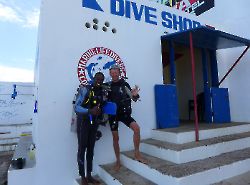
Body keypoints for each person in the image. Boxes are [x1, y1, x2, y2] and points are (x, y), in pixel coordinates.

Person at [108, 64, 146, 171]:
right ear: (110, 74)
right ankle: (118, 161)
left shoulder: (125, 84)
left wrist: (135, 94)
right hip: (113, 115)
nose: (114, 74)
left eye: (116, 72)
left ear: (119, 73)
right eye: (112, 72)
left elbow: (133, 98)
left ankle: (137, 154)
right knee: (116, 138)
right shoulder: (107, 86)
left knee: (137, 129)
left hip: (124, 114)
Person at [75, 72, 105, 185]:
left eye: (101, 79)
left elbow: (103, 105)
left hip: (94, 123)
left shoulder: (102, 91)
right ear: (93, 78)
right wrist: (90, 111)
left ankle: (89, 175)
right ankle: (82, 177)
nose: (99, 81)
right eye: (97, 78)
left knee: (91, 149)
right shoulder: (85, 89)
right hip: (83, 122)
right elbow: (76, 107)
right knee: (82, 149)